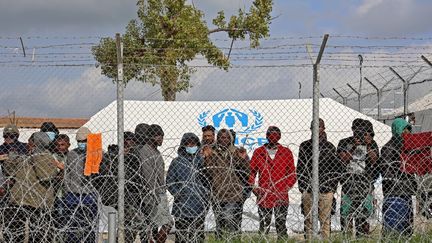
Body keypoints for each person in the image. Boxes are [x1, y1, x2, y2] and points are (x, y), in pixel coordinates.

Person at [3, 132, 61, 242]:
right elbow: (9, 171)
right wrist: (10, 159)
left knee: (38, 236)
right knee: (14, 234)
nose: (27, 145)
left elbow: (45, 176)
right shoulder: (26, 157)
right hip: (20, 200)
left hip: (37, 203)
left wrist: (37, 157)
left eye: (29, 143)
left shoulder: (46, 157)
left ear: (35, 144)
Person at [248, 126, 296, 240]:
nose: (273, 137)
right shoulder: (259, 152)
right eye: (270, 134)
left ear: (279, 136)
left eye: (275, 135)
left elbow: (292, 174)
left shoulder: (286, 152)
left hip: (281, 195)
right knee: (264, 225)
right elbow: (251, 172)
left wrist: (286, 188)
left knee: (281, 225)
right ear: (266, 136)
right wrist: (254, 188)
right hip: (264, 195)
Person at [297, 119, 341, 239]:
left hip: (326, 189)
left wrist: (331, 188)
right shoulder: (305, 146)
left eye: (319, 127)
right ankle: (310, 241)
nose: (316, 129)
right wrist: (303, 188)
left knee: (325, 222)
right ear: (310, 129)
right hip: (309, 189)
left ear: (323, 129)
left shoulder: (329, 147)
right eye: (314, 127)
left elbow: (335, 169)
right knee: (309, 222)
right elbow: (300, 168)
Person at [202, 128, 250, 239]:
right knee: (220, 223)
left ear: (231, 139)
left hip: (233, 194)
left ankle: (234, 240)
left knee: (231, 221)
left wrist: (242, 159)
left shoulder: (236, 152)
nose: (224, 139)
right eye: (221, 137)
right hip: (217, 194)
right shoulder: (213, 152)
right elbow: (208, 172)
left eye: (226, 137)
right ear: (217, 139)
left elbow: (246, 173)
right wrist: (207, 158)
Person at [337, 118, 379, 237]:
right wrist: (354, 146)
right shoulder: (344, 143)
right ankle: (347, 238)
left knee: (364, 219)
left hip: (365, 186)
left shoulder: (371, 143)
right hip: (348, 186)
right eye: (357, 130)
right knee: (346, 219)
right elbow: (343, 160)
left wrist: (368, 144)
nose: (359, 134)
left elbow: (374, 160)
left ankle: (363, 238)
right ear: (352, 130)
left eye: (363, 131)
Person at [166, 133, 210, 243]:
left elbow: (207, 180)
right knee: (182, 238)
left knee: (198, 237)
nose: (191, 146)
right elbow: (170, 182)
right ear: (183, 145)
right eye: (188, 143)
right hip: (182, 207)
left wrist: (204, 195)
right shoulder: (177, 162)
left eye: (194, 143)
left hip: (199, 206)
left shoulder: (201, 161)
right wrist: (178, 194)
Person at [379, 118, 416, 237]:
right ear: (398, 130)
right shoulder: (388, 148)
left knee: (407, 227)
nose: (408, 134)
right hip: (394, 193)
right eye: (405, 130)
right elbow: (387, 173)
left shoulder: (408, 148)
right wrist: (403, 170)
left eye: (409, 131)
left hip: (406, 191)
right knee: (393, 228)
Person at [136, 124, 173, 243]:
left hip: (160, 193)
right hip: (152, 195)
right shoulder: (145, 152)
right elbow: (148, 177)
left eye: (162, 136)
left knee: (159, 226)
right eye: (159, 136)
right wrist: (155, 196)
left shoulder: (156, 152)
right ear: (151, 137)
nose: (161, 139)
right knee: (155, 226)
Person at [62, 126, 99, 243]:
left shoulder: (96, 155)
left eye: (84, 141)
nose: (81, 144)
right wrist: (67, 190)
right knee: (73, 225)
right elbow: (67, 173)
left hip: (89, 194)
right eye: (79, 142)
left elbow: (100, 175)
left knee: (89, 225)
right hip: (73, 194)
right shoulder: (72, 154)